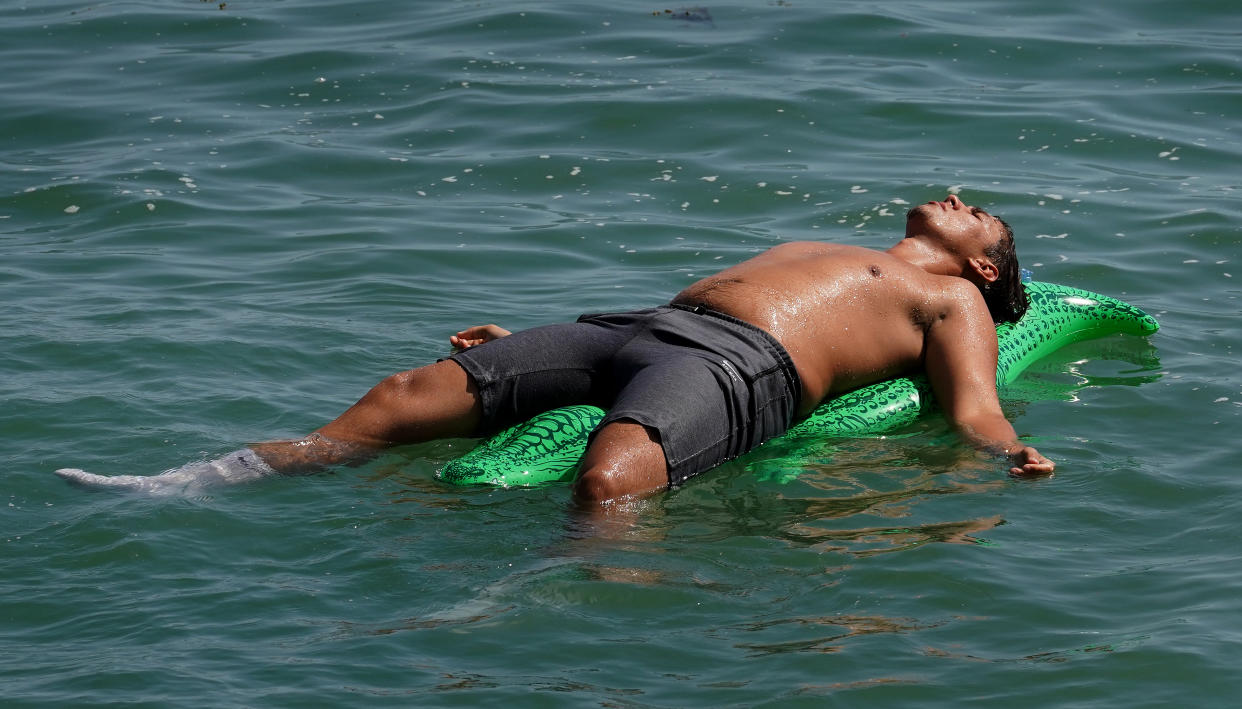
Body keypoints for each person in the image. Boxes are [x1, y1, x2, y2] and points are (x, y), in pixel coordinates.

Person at [56, 194, 1054, 501]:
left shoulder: (944, 302)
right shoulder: (835, 246)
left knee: (611, 475)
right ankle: (206, 477)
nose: (960, 198)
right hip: (637, 327)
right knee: (409, 393)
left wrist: (1004, 450)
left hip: (739, 368)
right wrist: (539, 336)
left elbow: (972, 404)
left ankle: (550, 592)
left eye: (982, 215)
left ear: (982, 270)